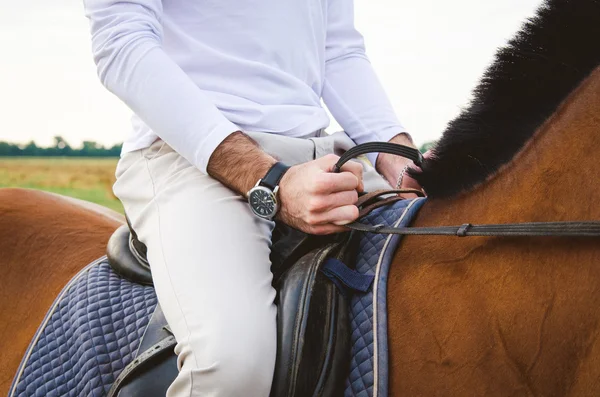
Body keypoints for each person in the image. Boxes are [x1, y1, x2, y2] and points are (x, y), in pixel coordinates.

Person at [83, 0, 422, 395]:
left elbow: (338, 50)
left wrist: (397, 157)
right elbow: (121, 41)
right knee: (232, 365)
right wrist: (271, 179)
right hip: (193, 156)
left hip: (322, 155)